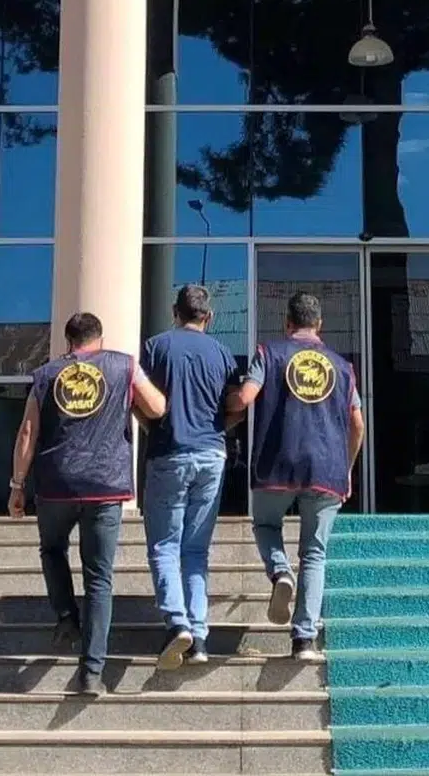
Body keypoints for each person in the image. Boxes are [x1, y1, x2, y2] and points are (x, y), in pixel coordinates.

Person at [9, 311, 166, 695]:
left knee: (52, 549)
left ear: (68, 342)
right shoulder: (124, 366)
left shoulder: (46, 375)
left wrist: (17, 485)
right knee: (99, 577)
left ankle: (66, 616)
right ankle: (92, 672)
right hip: (104, 485)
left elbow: (28, 431)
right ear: (100, 338)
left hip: (56, 484)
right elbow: (157, 407)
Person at [227, 291, 365, 662]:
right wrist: (347, 468)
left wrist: (221, 405)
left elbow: (246, 398)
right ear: (319, 325)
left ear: (287, 323)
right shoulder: (343, 367)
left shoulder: (268, 353)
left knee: (266, 525)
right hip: (327, 470)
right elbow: (357, 423)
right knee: (315, 554)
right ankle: (304, 640)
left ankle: (280, 572)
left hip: (277, 464)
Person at [141, 283, 241, 669]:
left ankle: (176, 623)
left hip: (169, 452)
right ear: (208, 316)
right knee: (196, 551)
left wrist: (150, 427)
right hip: (211, 454)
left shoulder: (156, 347)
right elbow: (237, 404)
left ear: (174, 312)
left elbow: (141, 398)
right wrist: (220, 429)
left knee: (165, 546)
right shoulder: (222, 353)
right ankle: (199, 638)